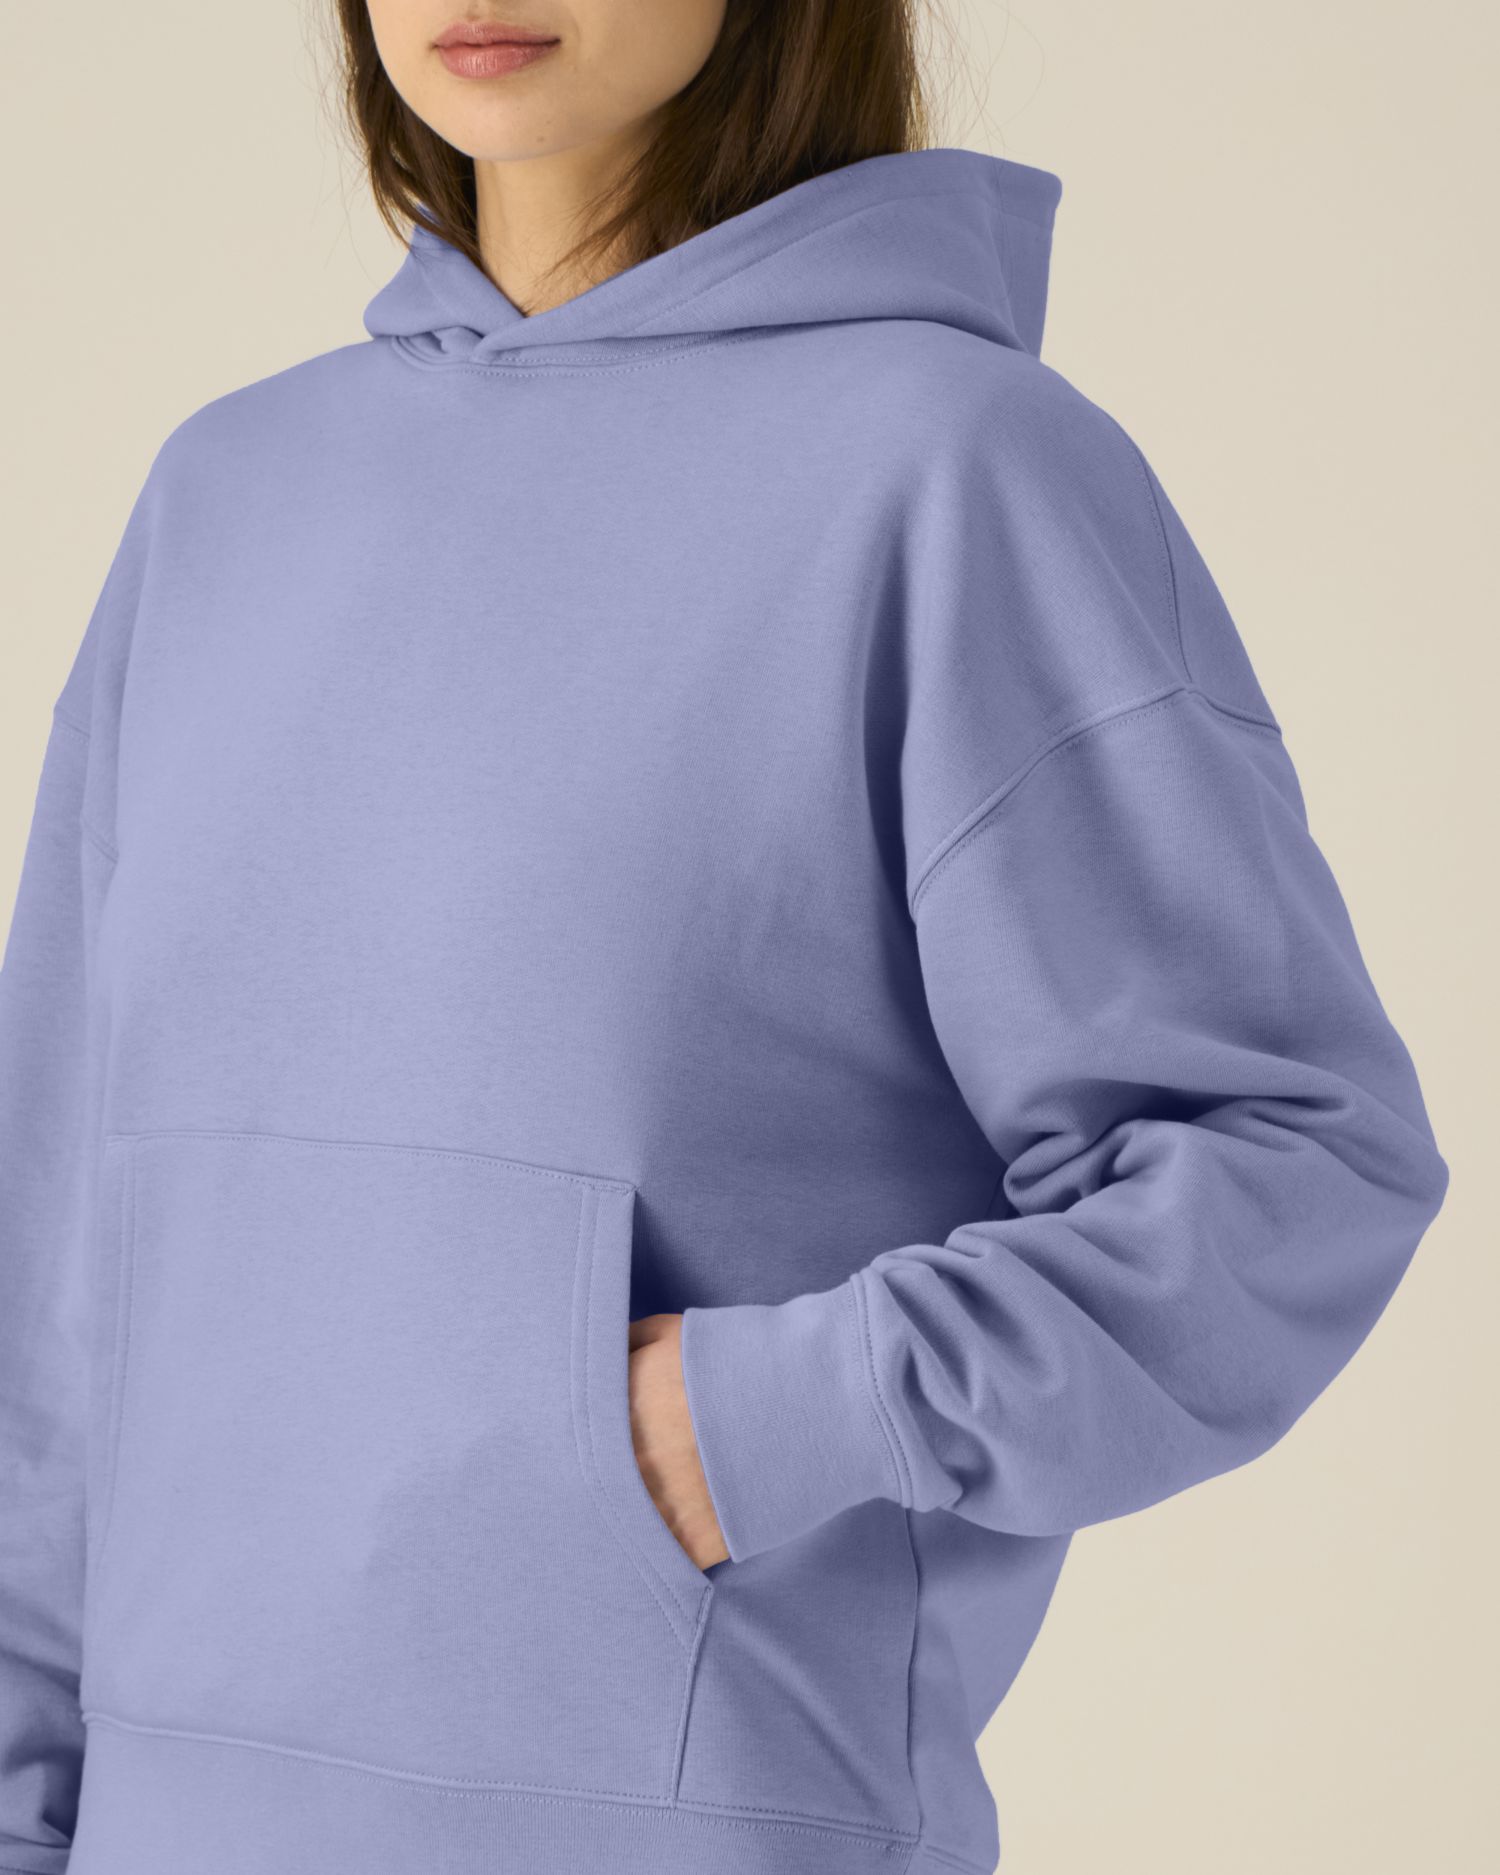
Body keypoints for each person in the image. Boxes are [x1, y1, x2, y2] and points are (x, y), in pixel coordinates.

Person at [0, 4, 1450, 1873]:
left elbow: (1293, 1166)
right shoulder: (226, 495)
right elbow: (59, 1263)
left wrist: (774, 1415)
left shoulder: (955, 468)